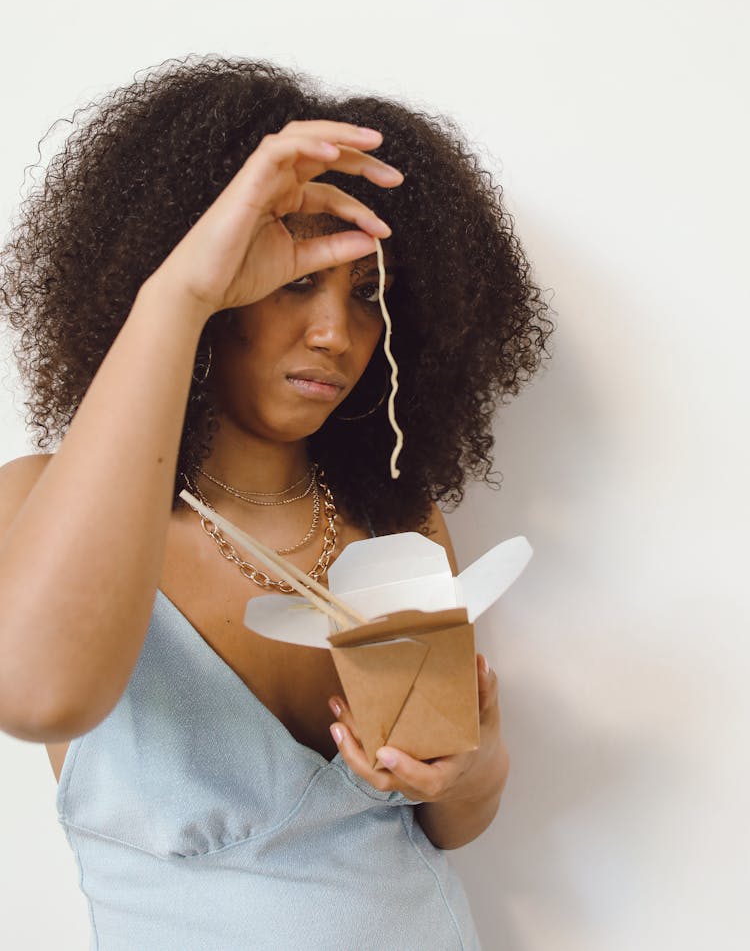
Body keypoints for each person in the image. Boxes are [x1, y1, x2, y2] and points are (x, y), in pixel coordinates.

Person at [0, 56, 555, 949]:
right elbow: (34, 696)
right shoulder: (39, 499)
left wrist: (469, 765)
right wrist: (180, 293)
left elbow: (444, 820)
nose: (337, 333)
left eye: (366, 295)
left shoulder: (396, 524)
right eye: (295, 278)